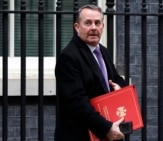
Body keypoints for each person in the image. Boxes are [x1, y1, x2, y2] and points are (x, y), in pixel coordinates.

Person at [54, 4, 128, 141]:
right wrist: (106, 128)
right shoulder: (68, 57)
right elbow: (77, 103)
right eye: (88, 23)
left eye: (97, 23)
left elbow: (116, 79)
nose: (93, 27)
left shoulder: (103, 52)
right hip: (80, 135)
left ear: (103, 27)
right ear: (77, 27)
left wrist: (119, 89)